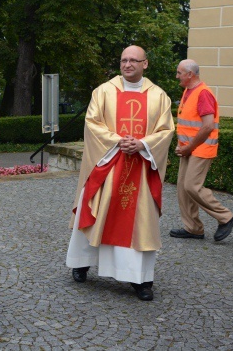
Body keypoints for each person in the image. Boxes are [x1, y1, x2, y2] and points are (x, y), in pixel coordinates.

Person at [65, 45, 174, 301]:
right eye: (124, 60)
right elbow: (92, 123)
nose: (128, 65)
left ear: (145, 64)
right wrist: (117, 141)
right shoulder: (103, 91)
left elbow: (166, 130)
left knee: (140, 221)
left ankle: (140, 279)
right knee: (95, 208)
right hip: (108, 165)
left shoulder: (159, 96)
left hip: (141, 168)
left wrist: (143, 144)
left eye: (134, 60)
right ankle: (82, 262)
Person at [170, 59, 233, 241]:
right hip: (189, 148)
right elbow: (190, 125)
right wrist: (183, 146)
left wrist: (189, 147)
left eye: (179, 73)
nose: (177, 76)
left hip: (201, 148)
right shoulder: (188, 91)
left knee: (191, 186)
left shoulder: (203, 93)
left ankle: (226, 217)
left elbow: (208, 126)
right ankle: (193, 228)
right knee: (182, 189)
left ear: (189, 74)